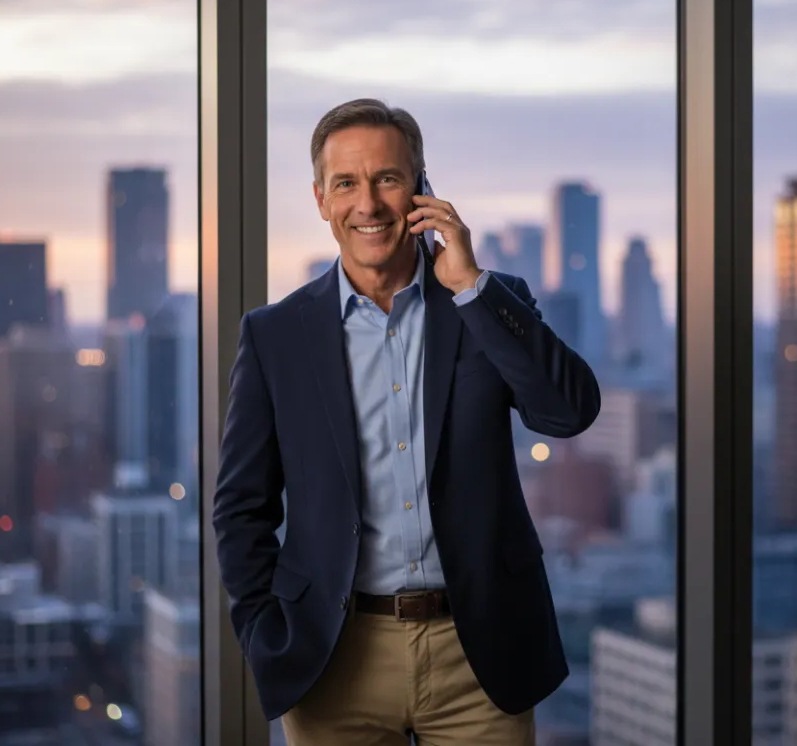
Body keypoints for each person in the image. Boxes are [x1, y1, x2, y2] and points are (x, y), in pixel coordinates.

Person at [213, 98, 601, 745]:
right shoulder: (275, 334)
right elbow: (240, 507)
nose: (367, 204)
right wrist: (263, 632)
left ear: (422, 189)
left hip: (481, 656)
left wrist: (471, 284)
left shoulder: (487, 302)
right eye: (346, 183)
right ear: (321, 199)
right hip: (334, 659)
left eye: (387, 179)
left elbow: (568, 413)